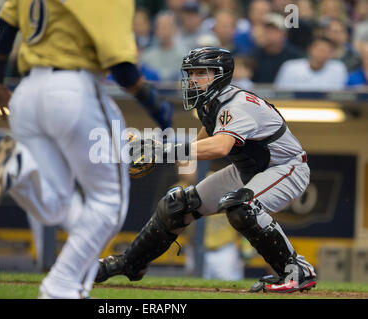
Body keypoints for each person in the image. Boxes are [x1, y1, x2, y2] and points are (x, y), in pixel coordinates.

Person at [0, 0, 173, 299]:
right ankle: (62, 285)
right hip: (73, 87)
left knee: (57, 203)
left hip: (27, 94)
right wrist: (156, 108)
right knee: (109, 202)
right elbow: (121, 67)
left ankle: (21, 168)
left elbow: (5, 25)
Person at [95, 47, 317, 293]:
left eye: (201, 73)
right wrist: (159, 151)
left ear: (220, 75)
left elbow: (220, 148)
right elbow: (202, 144)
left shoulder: (236, 104)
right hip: (248, 170)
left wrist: (162, 150)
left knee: (242, 207)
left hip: (286, 167)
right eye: (191, 74)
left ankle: (297, 270)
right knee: (177, 205)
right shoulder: (210, 104)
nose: (193, 79)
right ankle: (130, 263)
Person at [274, 36, 348, 91]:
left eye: (328, 51)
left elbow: (338, 97)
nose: (324, 54)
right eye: (321, 50)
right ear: (310, 49)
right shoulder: (290, 67)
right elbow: (281, 94)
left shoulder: (338, 68)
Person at [251, 13, 303, 84]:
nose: (270, 34)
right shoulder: (255, 55)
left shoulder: (294, 55)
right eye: (267, 30)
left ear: (284, 34)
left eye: (274, 30)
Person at [140, 11, 186, 82]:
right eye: (160, 27)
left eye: (167, 27)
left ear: (175, 29)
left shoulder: (184, 56)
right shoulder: (146, 56)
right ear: (155, 30)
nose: (163, 31)